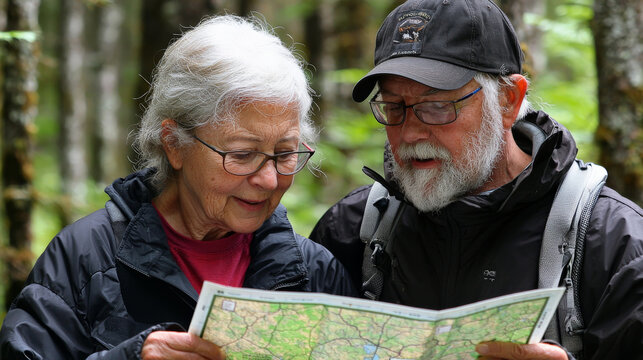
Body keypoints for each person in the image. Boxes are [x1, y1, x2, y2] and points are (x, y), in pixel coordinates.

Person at [0, 15, 356, 359]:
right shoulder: (86, 260)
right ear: (174, 144)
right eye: (243, 154)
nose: (269, 179)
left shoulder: (312, 273)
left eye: (284, 152)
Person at [310, 1, 643, 359]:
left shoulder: (612, 243)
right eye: (393, 108)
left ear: (508, 100)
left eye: (436, 106)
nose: (408, 134)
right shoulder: (355, 229)